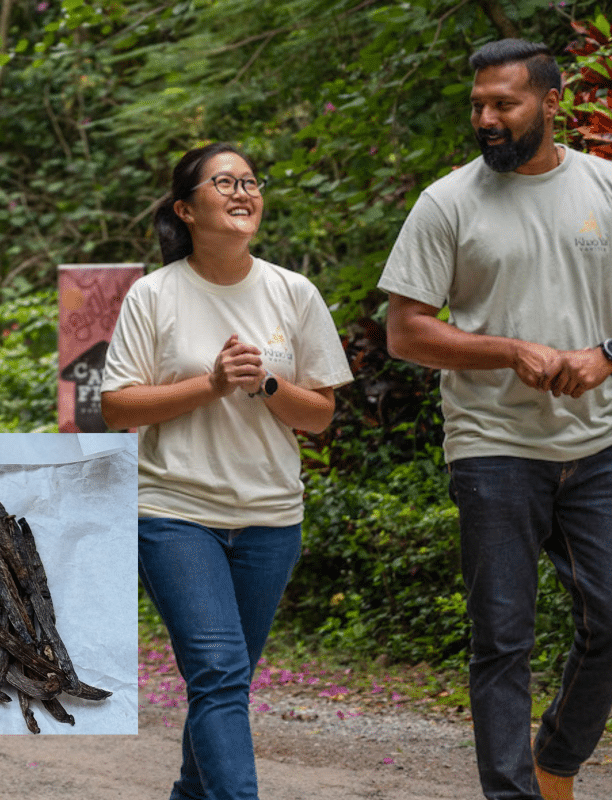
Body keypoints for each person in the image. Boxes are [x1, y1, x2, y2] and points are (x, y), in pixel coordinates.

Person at [378, 38, 612, 800]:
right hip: (491, 447)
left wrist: (605, 354)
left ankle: (555, 759)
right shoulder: (447, 202)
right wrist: (510, 350)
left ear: (549, 102)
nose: (486, 118)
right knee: (502, 640)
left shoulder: (605, 185)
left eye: (503, 104)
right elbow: (406, 331)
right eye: (477, 104)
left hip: (599, 444)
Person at [101, 142, 352, 800]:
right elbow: (118, 407)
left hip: (271, 519)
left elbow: (321, 414)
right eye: (224, 183)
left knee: (225, 684)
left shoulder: (293, 292)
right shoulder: (154, 296)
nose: (243, 193)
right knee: (216, 673)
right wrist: (209, 384)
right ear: (186, 209)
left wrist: (267, 383)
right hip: (175, 515)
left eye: (250, 182)